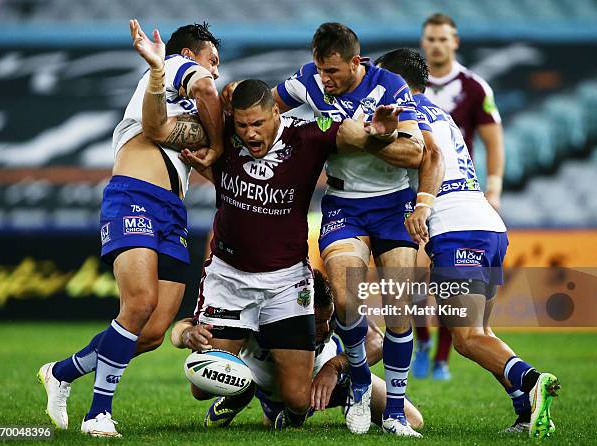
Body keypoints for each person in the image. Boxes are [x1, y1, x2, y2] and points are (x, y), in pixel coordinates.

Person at [37, 19, 224, 437]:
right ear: (190, 55)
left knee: (154, 331)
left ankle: (62, 373)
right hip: (135, 197)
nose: (216, 70)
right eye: (212, 60)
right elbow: (207, 90)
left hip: (173, 211)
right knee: (138, 304)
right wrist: (216, 143)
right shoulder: (172, 67)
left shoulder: (188, 112)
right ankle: (97, 414)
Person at [266, 22, 443, 436]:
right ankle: (360, 382)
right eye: (320, 70)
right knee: (346, 299)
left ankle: (395, 413)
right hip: (344, 204)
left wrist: (371, 137)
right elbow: (267, 106)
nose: (326, 80)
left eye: (333, 71)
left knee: (399, 309)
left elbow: (415, 152)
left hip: (392, 203)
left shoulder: (391, 87)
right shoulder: (309, 81)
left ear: (355, 62)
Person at [376, 48, 559, 440]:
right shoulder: (440, 112)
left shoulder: (409, 116)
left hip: (456, 228)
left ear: (393, 82)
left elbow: (424, 156)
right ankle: (527, 414)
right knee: (482, 334)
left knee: (467, 338)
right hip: (488, 226)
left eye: (379, 81)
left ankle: (533, 380)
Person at [171, 270, 424, 431]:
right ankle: (239, 394)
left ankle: (349, 402)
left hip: (335, 381)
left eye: (328, 319)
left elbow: (376, 342)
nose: (325, 329)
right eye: (315, 322)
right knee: (200, 387)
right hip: (271, 387)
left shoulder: (330, 308)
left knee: (412, 420)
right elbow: (181, 327)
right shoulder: (267, 310)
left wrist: (334, 366)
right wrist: (185, 334)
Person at [415, 12, 507, 381]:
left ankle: (440, 358)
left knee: (450, 286)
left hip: (454, 196)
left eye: (443, 39)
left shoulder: (473, 87)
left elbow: (493, 140)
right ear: (423, 44)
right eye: (431, 39)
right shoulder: (407, 89)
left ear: (455, 42)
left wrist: (495, 186)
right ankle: (423, 342)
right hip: (423, 195)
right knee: (416, 279)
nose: (436, 44)